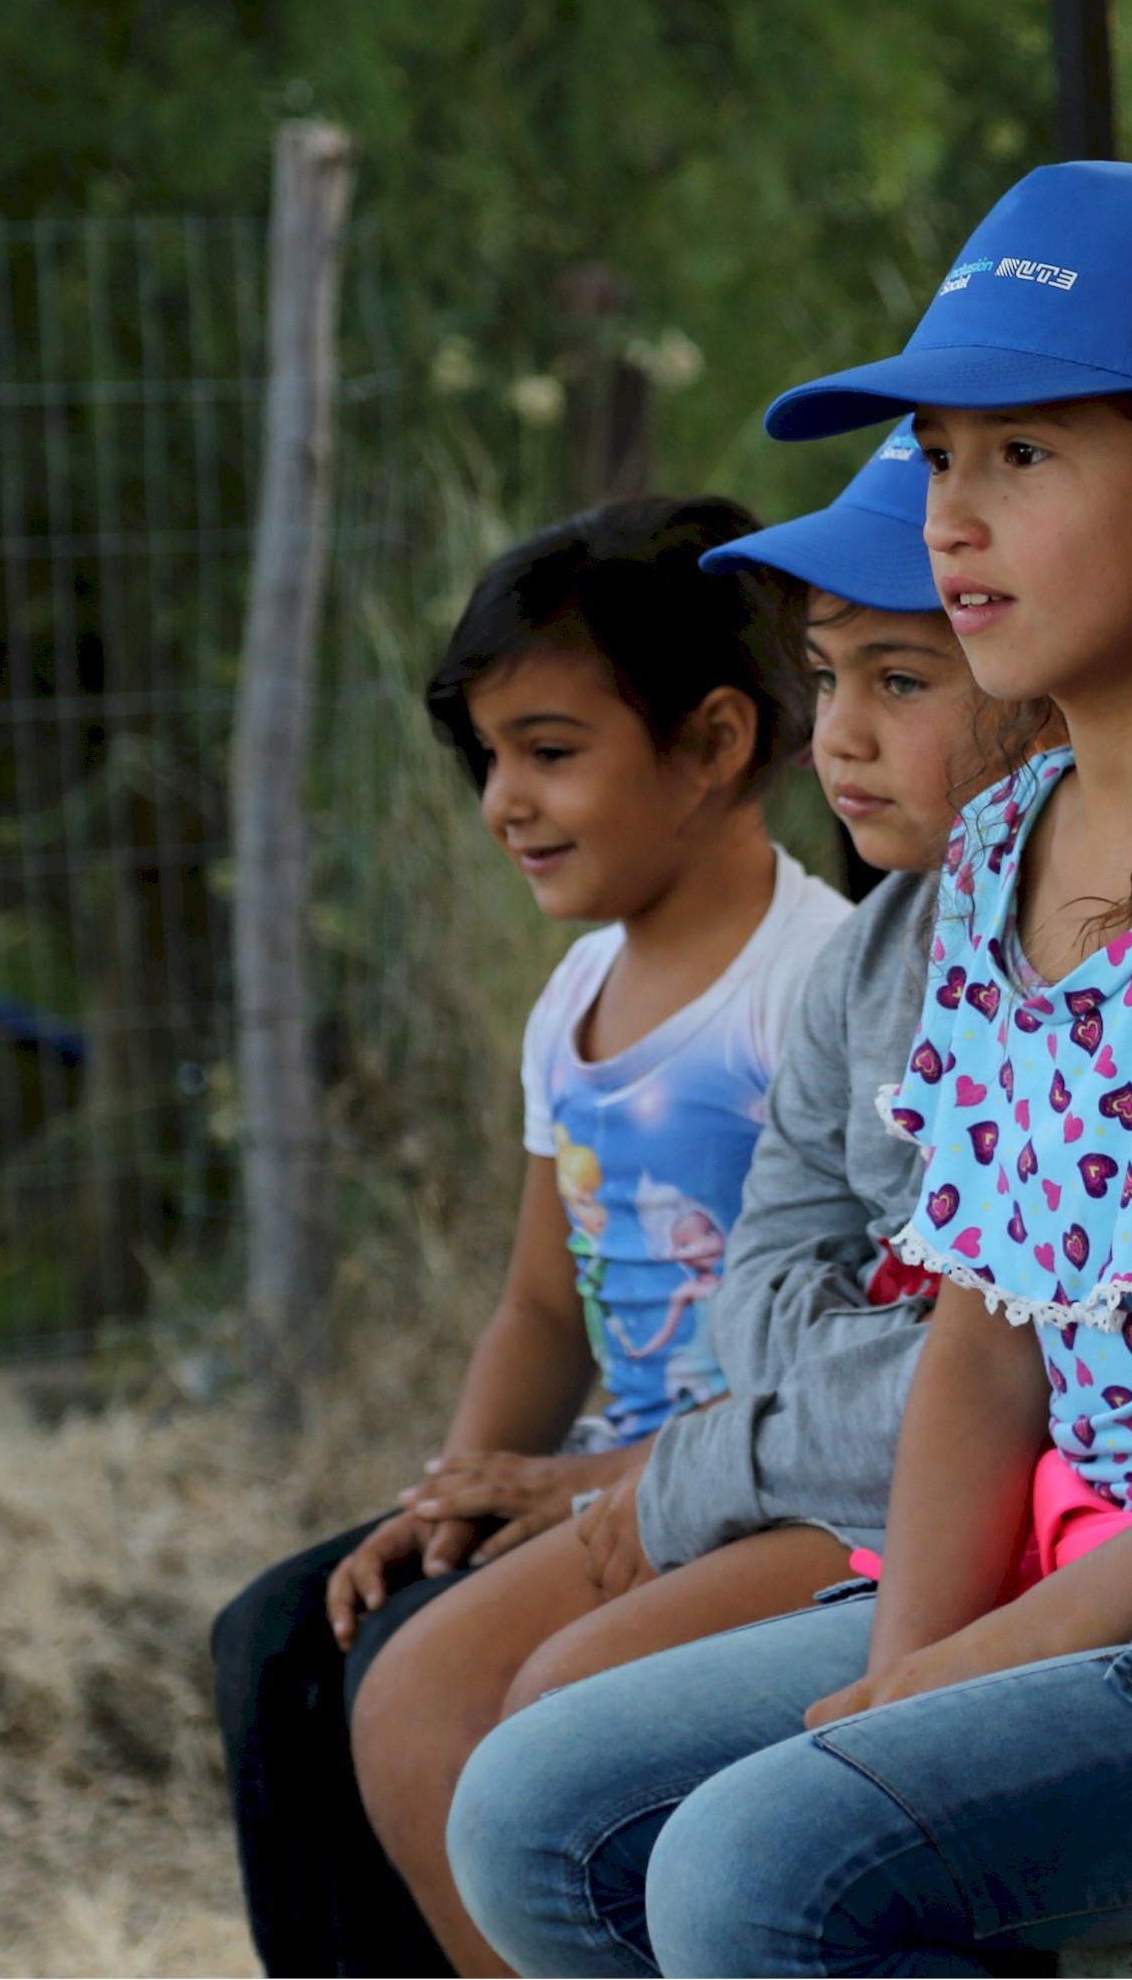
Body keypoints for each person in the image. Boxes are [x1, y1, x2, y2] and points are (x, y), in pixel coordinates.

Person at [447, 160, 1132, 1977]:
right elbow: (985, 1341)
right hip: (1055, 1579)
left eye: (1025, 455)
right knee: (533, 1813)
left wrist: (991, 1658)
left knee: (754, 1877)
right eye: (937, 457)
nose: (951, 520)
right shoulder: (994, 851)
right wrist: (905, 1667)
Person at [344, 427, 1053, 1971]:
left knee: (547, 1737)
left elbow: (969, 1371)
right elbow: (768, 1305)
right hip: (762, 1466)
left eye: (902, 679)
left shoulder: (935, 960)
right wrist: (489, 1480)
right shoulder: (867, 965)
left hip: (851, 1502)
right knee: (347, 1660)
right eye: (832, 677)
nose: (836, 735)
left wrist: (642, 1485)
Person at [211, 494, 849, 1977]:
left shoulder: (809, 989)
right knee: (281, 1641)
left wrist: (582, 1486)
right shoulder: (568, 1004)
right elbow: (539, 1311)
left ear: (712, 742)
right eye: (491, 757)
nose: (504, 799)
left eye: (551, 752)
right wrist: (450, 1493)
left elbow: (846, 1356)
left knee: (423, 1688)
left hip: (749, 1488)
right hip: (589, 1476)